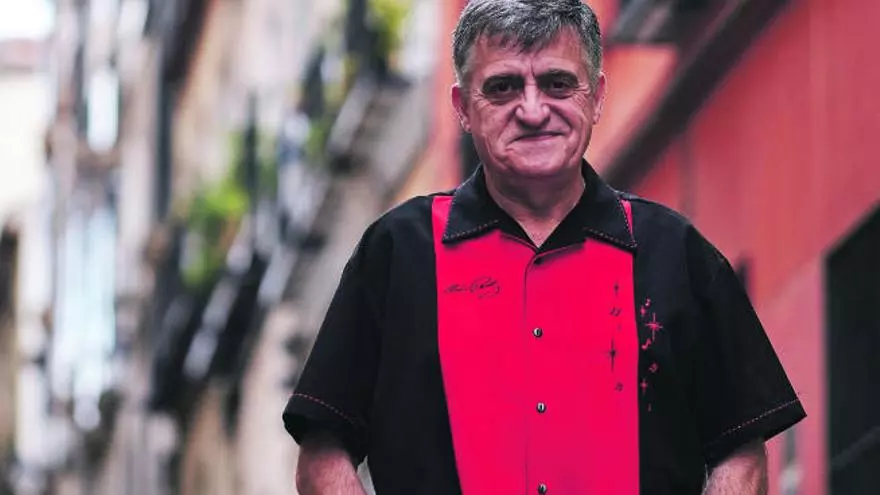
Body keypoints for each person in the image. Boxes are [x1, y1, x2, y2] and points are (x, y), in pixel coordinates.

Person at [282, 0, 806, 493]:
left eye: (558, 83)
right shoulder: (398, 253)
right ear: (462, 107)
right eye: (503, 87)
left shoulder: (675, 253)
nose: (533, 111)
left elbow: (740, 447)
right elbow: (324, 447)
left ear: (596, 97)